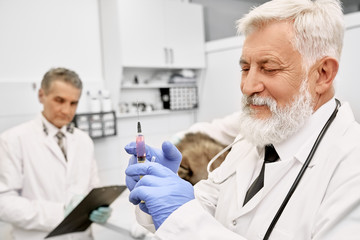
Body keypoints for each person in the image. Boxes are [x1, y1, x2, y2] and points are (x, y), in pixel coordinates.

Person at [124, 0, 360, 239]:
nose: (247, 87)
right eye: (246, 68)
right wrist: (158, 190)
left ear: (323, 74)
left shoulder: (351, 165)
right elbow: (203, 204)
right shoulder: (253, 139)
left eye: (269, 69)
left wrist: (183, 218)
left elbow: (189, 223)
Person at [0, 67, 111, 240]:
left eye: (73, 103)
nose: (67, 111)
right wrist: (59, 212)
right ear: (41, 95)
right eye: (59, 100)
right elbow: (4, 203)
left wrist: (98, 206)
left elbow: (92, 190)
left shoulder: (84, 141)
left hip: (81, 235)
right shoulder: (13, 140)